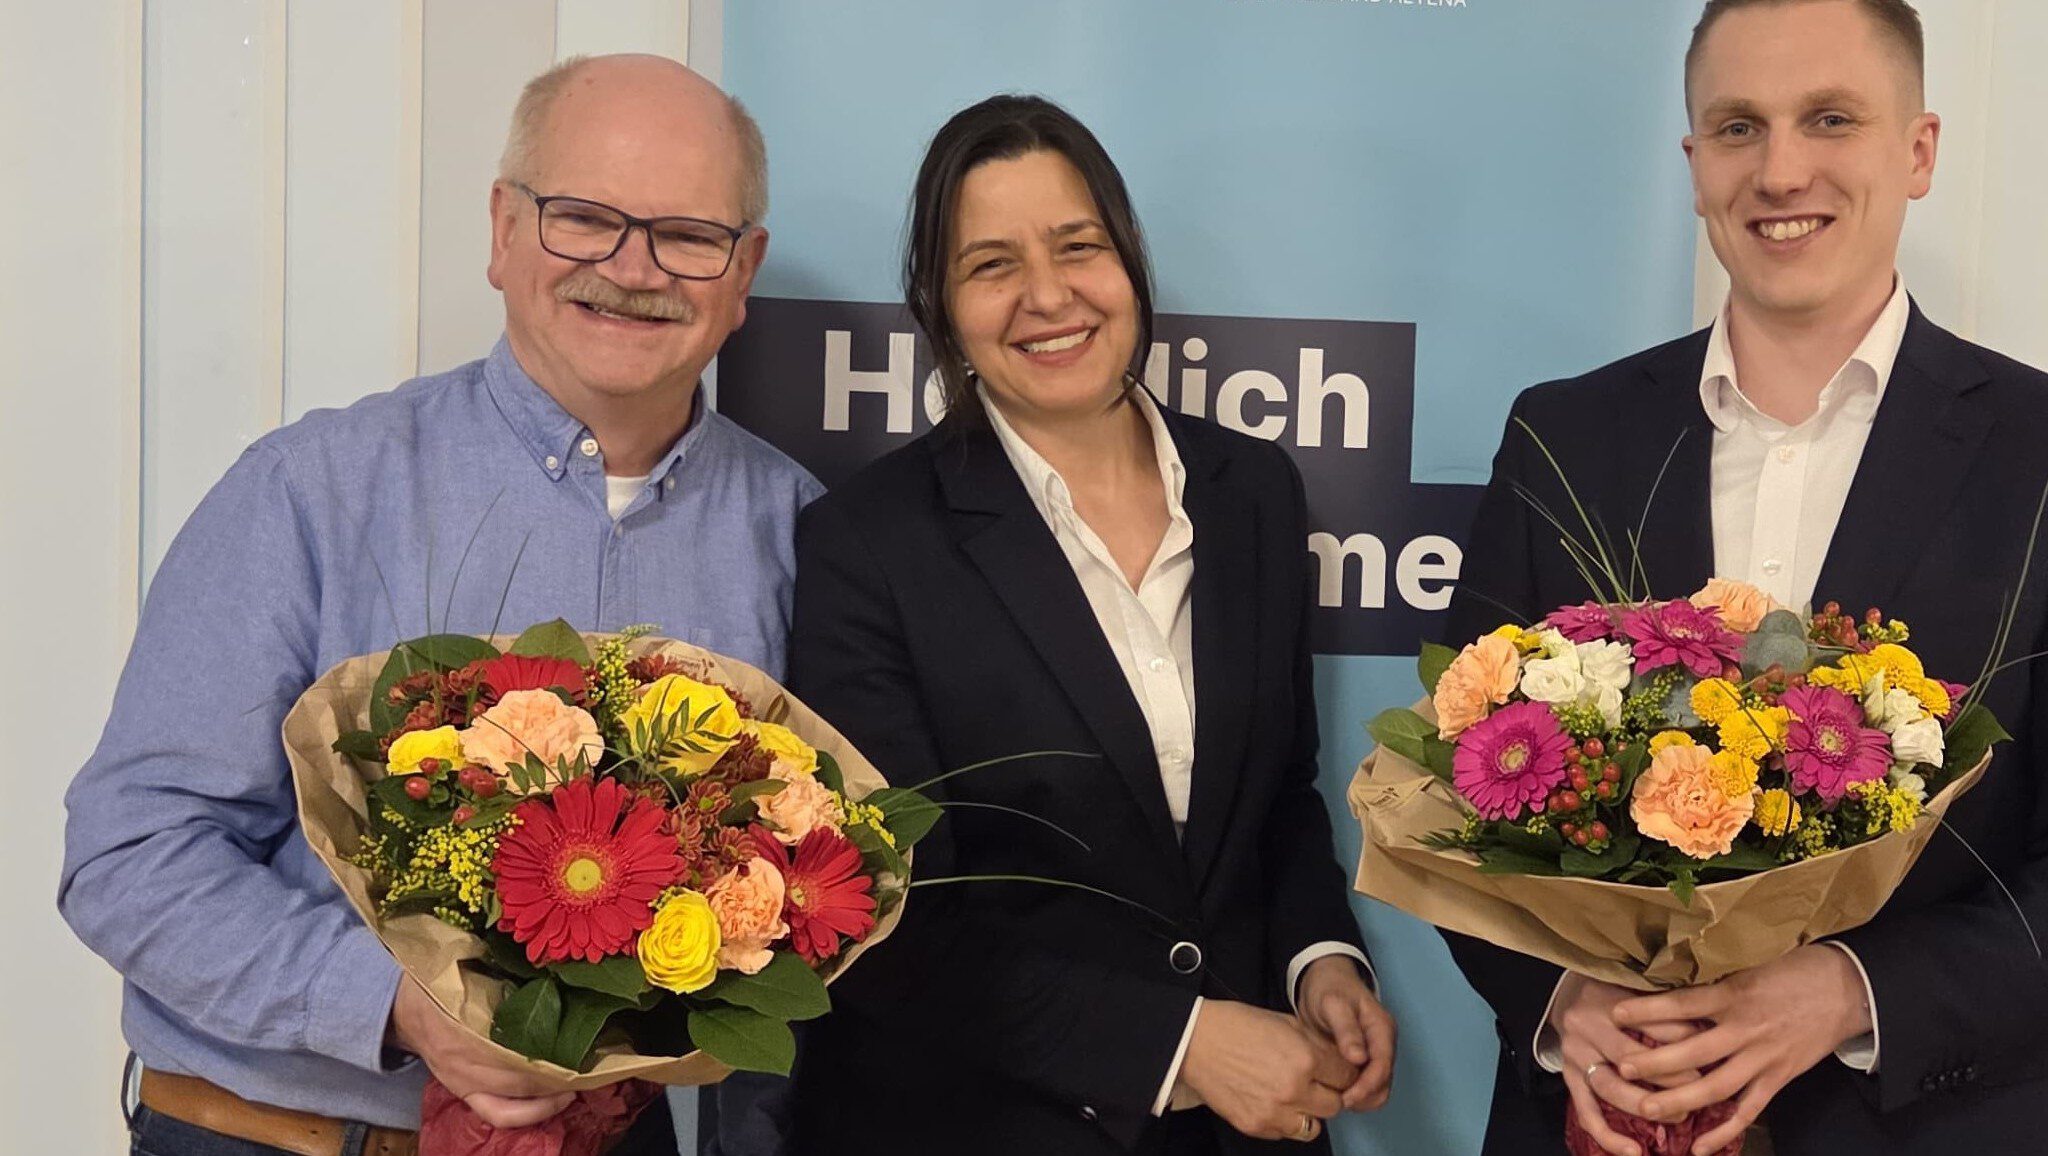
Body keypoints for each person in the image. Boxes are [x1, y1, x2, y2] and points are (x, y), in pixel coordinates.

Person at [1439, 2, 2048, 1154]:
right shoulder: (1563, 434)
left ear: (1916, 151)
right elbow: (1460, 805)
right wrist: (1565, 1004)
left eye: (1830, 118)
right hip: (1606, 1123)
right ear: (1693, 162)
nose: (1780, 168)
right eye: (1738, 127)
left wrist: (1849, 990)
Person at [59, 54, 819, 1156]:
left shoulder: (801, 530)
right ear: (505, 230)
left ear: (741, 270)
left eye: (687, 234)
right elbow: (130, 853)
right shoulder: (311, 489)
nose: (631, 266)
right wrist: (399, 1004)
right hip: (284, 1135)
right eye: (583, 217)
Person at [707, 95, 1395, 1156]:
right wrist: (1179, 1045)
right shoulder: (869, 541)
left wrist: (1319, 958)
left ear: (1127, 262)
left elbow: (1278, 797)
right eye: (990, 265)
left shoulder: (1250, 488)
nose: (1046, 295)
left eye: (1077, 246)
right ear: (940, 309)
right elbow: (884, 912)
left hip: (1247, 1127)